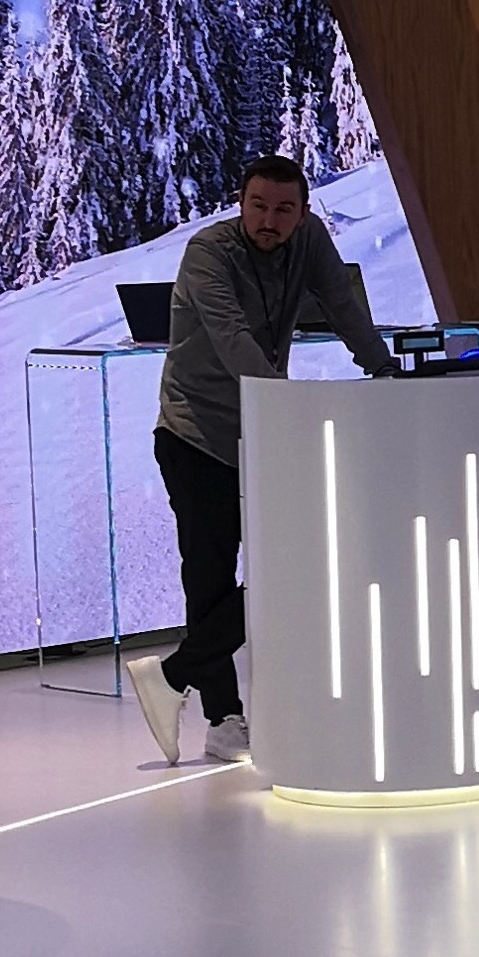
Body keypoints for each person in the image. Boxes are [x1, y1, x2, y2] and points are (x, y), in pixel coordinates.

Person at [126, 155, 400, 766]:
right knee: (210, 578)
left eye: (283, 209)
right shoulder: (207, 253)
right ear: (241, 202)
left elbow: (342, 303)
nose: (269, 220)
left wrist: (382, 368)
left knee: (297, 566)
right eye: (258, 206)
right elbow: (233, 340)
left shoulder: (310, 241)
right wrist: (285, 405)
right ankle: (223, 720)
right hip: (196, 435)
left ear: (302, 213)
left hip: (264, 431)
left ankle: (171, 675)